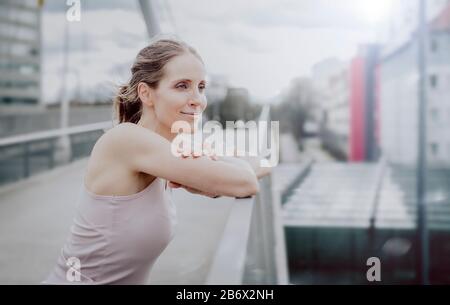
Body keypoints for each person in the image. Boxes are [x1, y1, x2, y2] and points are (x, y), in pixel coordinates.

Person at [42, 38, 269, 285]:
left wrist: (215, 175)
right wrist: (217, 177)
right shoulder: (126, 140)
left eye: (201, 87)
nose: (197, 99)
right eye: (182, 86)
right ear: (146, 93)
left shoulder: (167, 150)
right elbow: (247, 181)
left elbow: (262, 162)